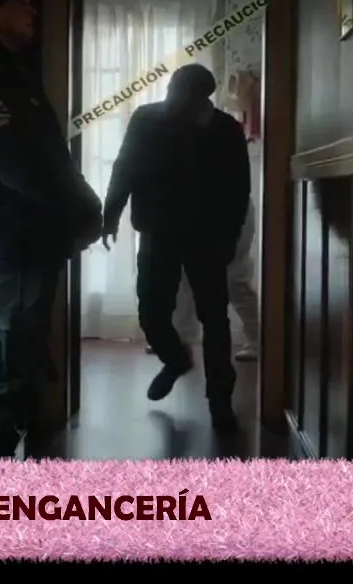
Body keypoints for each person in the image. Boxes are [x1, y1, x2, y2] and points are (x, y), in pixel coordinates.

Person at [0, 0, 103, 459]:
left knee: (18, 369)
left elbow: (46, 158)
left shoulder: (9, 71)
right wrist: (83, 208)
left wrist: (81, 208)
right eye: (21, 2)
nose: (32, 10)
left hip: (24, 238)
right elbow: (19, 163)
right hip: (5, 239)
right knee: (1, 376)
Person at [101, 63, 251, 434]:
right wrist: (111, 214)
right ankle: (176, 359)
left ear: (204, 98)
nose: (176, 100)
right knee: (151, 312)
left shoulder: (226, 129)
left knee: (214, 319)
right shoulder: (147, 119)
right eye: (174, 92)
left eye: (185, 95)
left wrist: (230, 238)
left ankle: (220, 400)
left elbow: (238, 189)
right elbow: (124, 167)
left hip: (208, 238)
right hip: (158, 232)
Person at [167, 195, 260, 361]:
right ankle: (181, 338)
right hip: (211, 206)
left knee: (234, 283)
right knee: (187, 278)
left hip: (225, 207)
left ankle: (259, 340)